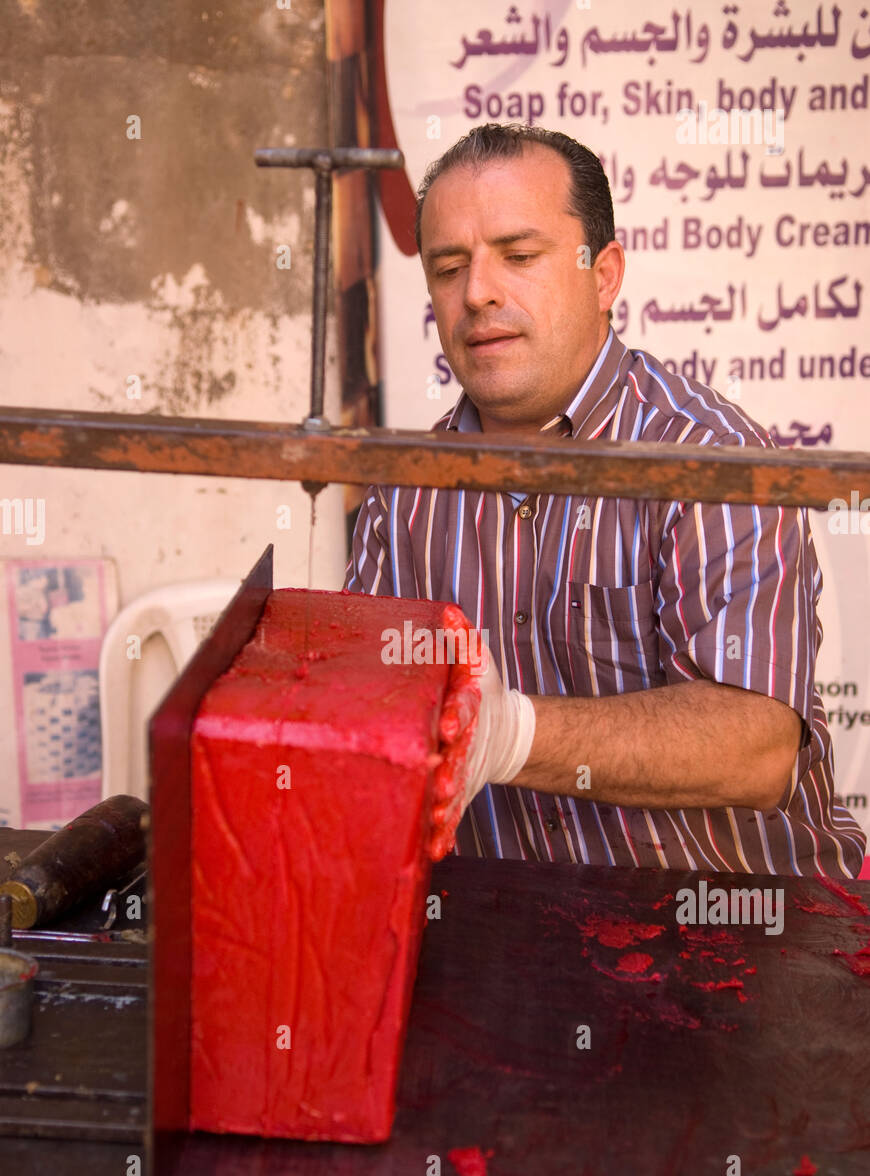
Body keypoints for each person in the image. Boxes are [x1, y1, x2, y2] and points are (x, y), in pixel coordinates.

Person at [346, 122, 866, 878]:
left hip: (753, 936)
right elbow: (373, 720)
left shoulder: (712, 460)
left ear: (604, 274)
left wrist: (512, 734)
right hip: (516, 932)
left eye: (519, 257)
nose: (478, 292)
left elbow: (756, 746)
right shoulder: (408, 492)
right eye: (449, 267)